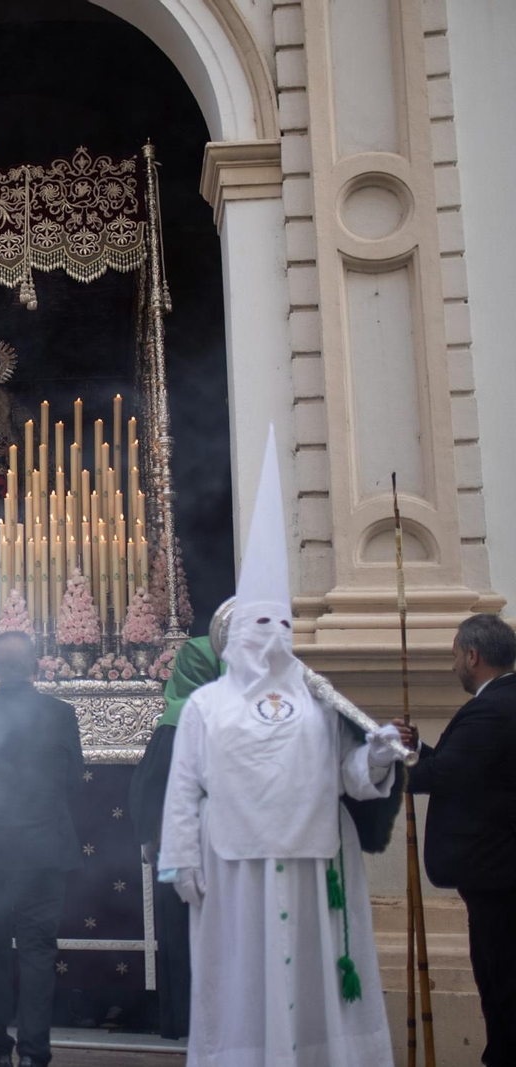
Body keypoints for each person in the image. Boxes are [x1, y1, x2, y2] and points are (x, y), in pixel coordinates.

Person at [159, 428, 404, 1067]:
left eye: (284, 623)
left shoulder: (321, 699)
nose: (273, 636)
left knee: (314, 979)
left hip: (312, 860)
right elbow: (184, 786)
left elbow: (344, 775)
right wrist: (182, 857)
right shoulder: (208, 706)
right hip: (234, 866)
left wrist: (372, 756)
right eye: (259, 623)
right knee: (243, 974)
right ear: (234, 635)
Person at [0, 629, 85, 1067]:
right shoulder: (61, 713)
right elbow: (73, 780)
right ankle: (35, 1053)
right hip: (44, 848)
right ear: (36, 666)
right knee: (38, 951)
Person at [395, 612, 516, 1067]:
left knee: (501, 981)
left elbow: (442, 776)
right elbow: (465, 767)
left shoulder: (490, 708)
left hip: (497, 876)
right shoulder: (504, 702)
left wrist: (392, 760)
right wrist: (419, 748)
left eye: (453, 656)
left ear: (473, 655)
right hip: (499, 871)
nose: (452, 667)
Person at [128, 611, 225, 1041]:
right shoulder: (239, 711)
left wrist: (148, 835)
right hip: (230, 843)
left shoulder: (181, 716)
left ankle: (183, 1021)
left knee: (182, 933)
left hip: (182, 844)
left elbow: (150, 784)